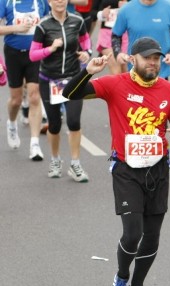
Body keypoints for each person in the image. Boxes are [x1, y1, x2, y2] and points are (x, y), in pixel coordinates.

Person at [63, 37, 170, 286]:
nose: (153, 63)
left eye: (156, 58)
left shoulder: (169, 91)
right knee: (133, 233)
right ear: (133, 60)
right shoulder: (114, 84)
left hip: (157, 170)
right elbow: (69, 94)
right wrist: (88, 71)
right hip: (126, 168)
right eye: (147, 58)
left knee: (153, 235)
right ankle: (121, 278)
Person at [30, 0, 91, 181]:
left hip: (73, 79)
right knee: (55, 125)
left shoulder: (77, 21)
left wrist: (86, 53)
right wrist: (51, 48)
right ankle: (55, 160)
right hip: (49, 81)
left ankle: (75, 163)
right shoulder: (43, 26)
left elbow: (86, 43)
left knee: (73, 121)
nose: (59, 1)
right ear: (49, 2)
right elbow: (33, 55)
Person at [0, 0, 49, 160]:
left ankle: (34, 144)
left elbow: (48, 22)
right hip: (13, 53)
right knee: (16, 100)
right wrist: (16, 28)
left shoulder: (40, 2)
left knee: (34, 96)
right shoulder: (5, 2)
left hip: (35, 53)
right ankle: (12, 123)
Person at [111, 0, 170, 81]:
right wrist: (118, 54)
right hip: (135, 71)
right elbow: (116, 35)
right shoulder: (126, 9)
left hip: (160, 73)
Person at [92, 0, 128, 75]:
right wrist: (102, 14)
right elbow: (92, 13)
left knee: (126, 72)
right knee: (116, 71)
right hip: (107, 34)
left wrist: (129, 6)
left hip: (126, 35)